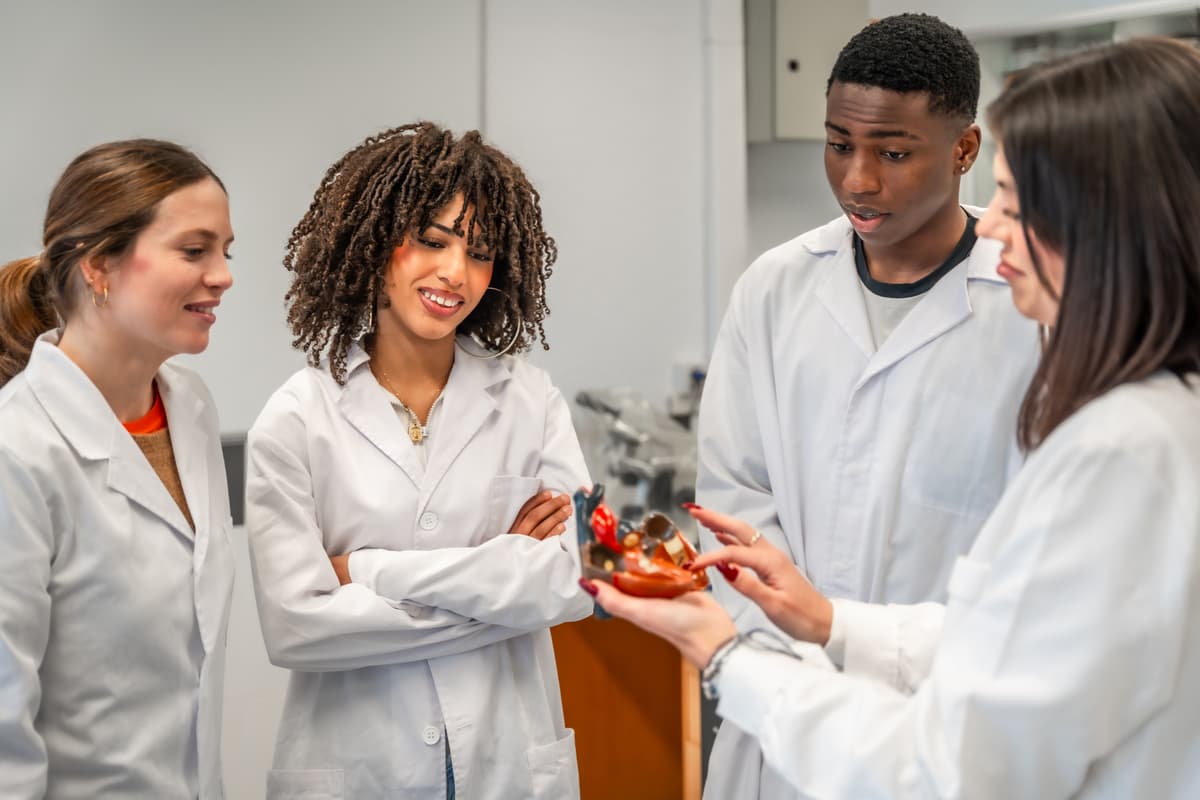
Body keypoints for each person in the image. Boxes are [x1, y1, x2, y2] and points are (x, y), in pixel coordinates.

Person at [587, 35, 1200, 798]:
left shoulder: (1117, 442)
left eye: (1018, 201)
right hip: (818, 716)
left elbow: (963, 757)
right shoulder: (775, 288)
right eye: (838, 144)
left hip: (895, 738)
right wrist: (821, 626)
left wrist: (730, 658)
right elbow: (1018, 640)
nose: (997, 227)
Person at [696, 13, 1040, 798]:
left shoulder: (1033, 305)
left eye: (892, 152)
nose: (858, 179)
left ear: (963, 151)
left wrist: (863, 649)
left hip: (940, 718)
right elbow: (735, 500)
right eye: (839, 144)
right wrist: (793, 668)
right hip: (781, 717)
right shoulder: (774, 289)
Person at [246, 122, 593, 799]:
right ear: (373, 245)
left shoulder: (530, 400)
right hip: (360, 767)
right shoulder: (295, 419)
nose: (454, 274)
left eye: (481, 253)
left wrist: (366, 572)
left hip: (508, 762)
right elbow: (297, 630)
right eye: (431, 241)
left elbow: (580, 578)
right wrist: (505, 573)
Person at [0, 140, 236, 798]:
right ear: (99, 266)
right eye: (195, 250)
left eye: (226, 250)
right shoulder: (18, 449)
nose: (222, 275)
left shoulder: (189, 408)